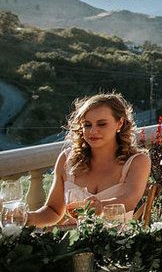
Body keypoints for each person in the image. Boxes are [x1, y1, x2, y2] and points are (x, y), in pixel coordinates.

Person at [27, 93, 151, 227]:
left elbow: (130, 200)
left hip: (118, 239)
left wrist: (100, 207)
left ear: (119, 123)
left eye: (101, 124)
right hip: (75, 239)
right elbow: (53, 211)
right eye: (87, 125)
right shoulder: (67, 159)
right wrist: (25, 217)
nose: (93, 131)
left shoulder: (137, 161)